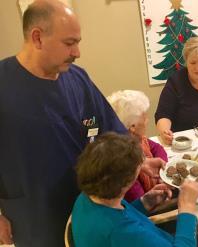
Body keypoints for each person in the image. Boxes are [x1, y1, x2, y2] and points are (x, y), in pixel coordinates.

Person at [0, 1, 163, 246]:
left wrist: (138, 162)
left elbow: (112, 130)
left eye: (77, 42)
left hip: (92, 207)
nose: (77, 52)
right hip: (37, 214)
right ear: (37, 38)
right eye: (69, 43)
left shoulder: (78, 78)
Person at [72, 132, 198, 246]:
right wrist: (187, 206)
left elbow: (119, 213)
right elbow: (125, 230)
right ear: (125, 184)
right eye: (138, 170)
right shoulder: (123, 232)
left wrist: (144, 203)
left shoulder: (88, 195)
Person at [107, 90, 169, 202]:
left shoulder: (137, 139)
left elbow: (158, 148)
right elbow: (139, 203)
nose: (147, 120)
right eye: (144, 118)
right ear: (132, 126)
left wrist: (161, 171)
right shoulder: (124, 164)